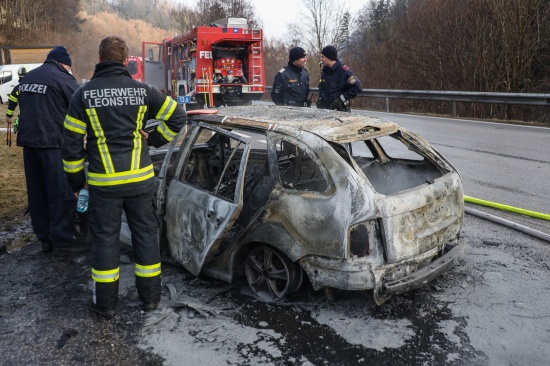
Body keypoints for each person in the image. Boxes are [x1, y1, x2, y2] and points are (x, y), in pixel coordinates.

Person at [62, 36, 187, 320]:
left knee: (106, 241)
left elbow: (70, 147)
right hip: (141, 182)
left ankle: (104, 305)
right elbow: (178, 117)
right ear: (124, 60)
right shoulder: (143, 91)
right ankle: (151, 301)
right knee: (145, 236)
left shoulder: (83, 95)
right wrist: (155, 139)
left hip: (104, 185)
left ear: (100, 57)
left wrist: (75, 183)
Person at [14, 46, 87, 256]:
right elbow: (81, 103)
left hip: (29, 144)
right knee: (60, 193)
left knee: (37, 193)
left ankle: (44, 238)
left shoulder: (27, 78)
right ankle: (62, 240)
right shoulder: (62, 78)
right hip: (54, 144)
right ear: (64, 64)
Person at [316, 45, 362, 112]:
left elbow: (358, 87)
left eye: (323, 57)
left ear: (329, 58)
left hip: (340, 112)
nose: (320, 59)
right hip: (325, 112)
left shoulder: (343, 71)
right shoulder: (325, 71)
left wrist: (340, 100)